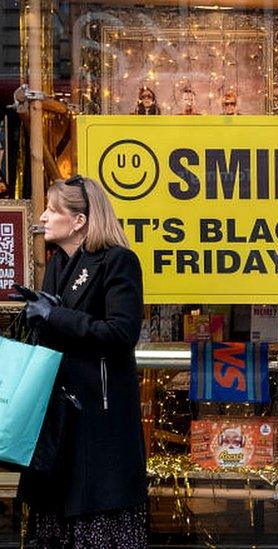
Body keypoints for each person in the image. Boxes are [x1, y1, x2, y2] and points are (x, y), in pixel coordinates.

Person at [15, 175, 147, 548]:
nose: (42, 216)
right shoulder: (59, 264)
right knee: (54, 516)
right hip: (58, 417)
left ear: (79, 221)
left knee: (95, 516)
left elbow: (122, 333)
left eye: (52, 210)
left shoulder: (118, 262)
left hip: (99, 417)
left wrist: (55, 316)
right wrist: (36, 316)